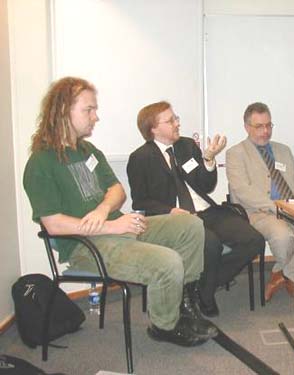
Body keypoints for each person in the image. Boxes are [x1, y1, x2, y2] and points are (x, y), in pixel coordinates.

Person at [23, 77, 216, 348]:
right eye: (88, 110)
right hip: (84, 246)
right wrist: (113, 226)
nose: (96, 116)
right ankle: (164, 325)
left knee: (191, 226)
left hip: (116, 227)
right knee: (168, 261)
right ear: (64, 110)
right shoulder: (41, 162)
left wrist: (104, 210)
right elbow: (54, 224)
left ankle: (184, 305)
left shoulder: (89, 151)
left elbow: (117, 191)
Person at [127, 101, 265, 316]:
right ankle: (206, 297)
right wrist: (170, 211)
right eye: (170, 120)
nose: (177, 123)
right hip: (176, 220)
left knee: (254, 241)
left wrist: (208, 159)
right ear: (153, 128)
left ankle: (202, 287)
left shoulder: (187, 146)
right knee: (211, 244)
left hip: (207, 211)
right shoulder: (140, 158)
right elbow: (140, 201)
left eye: (176, 118)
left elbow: (206, 186)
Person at [225, 102, 294, 302]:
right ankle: (291, 275)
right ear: (247, 127)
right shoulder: (235, 154)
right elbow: (242, 190)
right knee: (283, 235)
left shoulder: (283, 150)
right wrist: (276, 207)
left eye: (269, 125)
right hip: (259, 212)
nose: (265, 131)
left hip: (293, 208)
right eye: (259, 126)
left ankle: (284, 274)